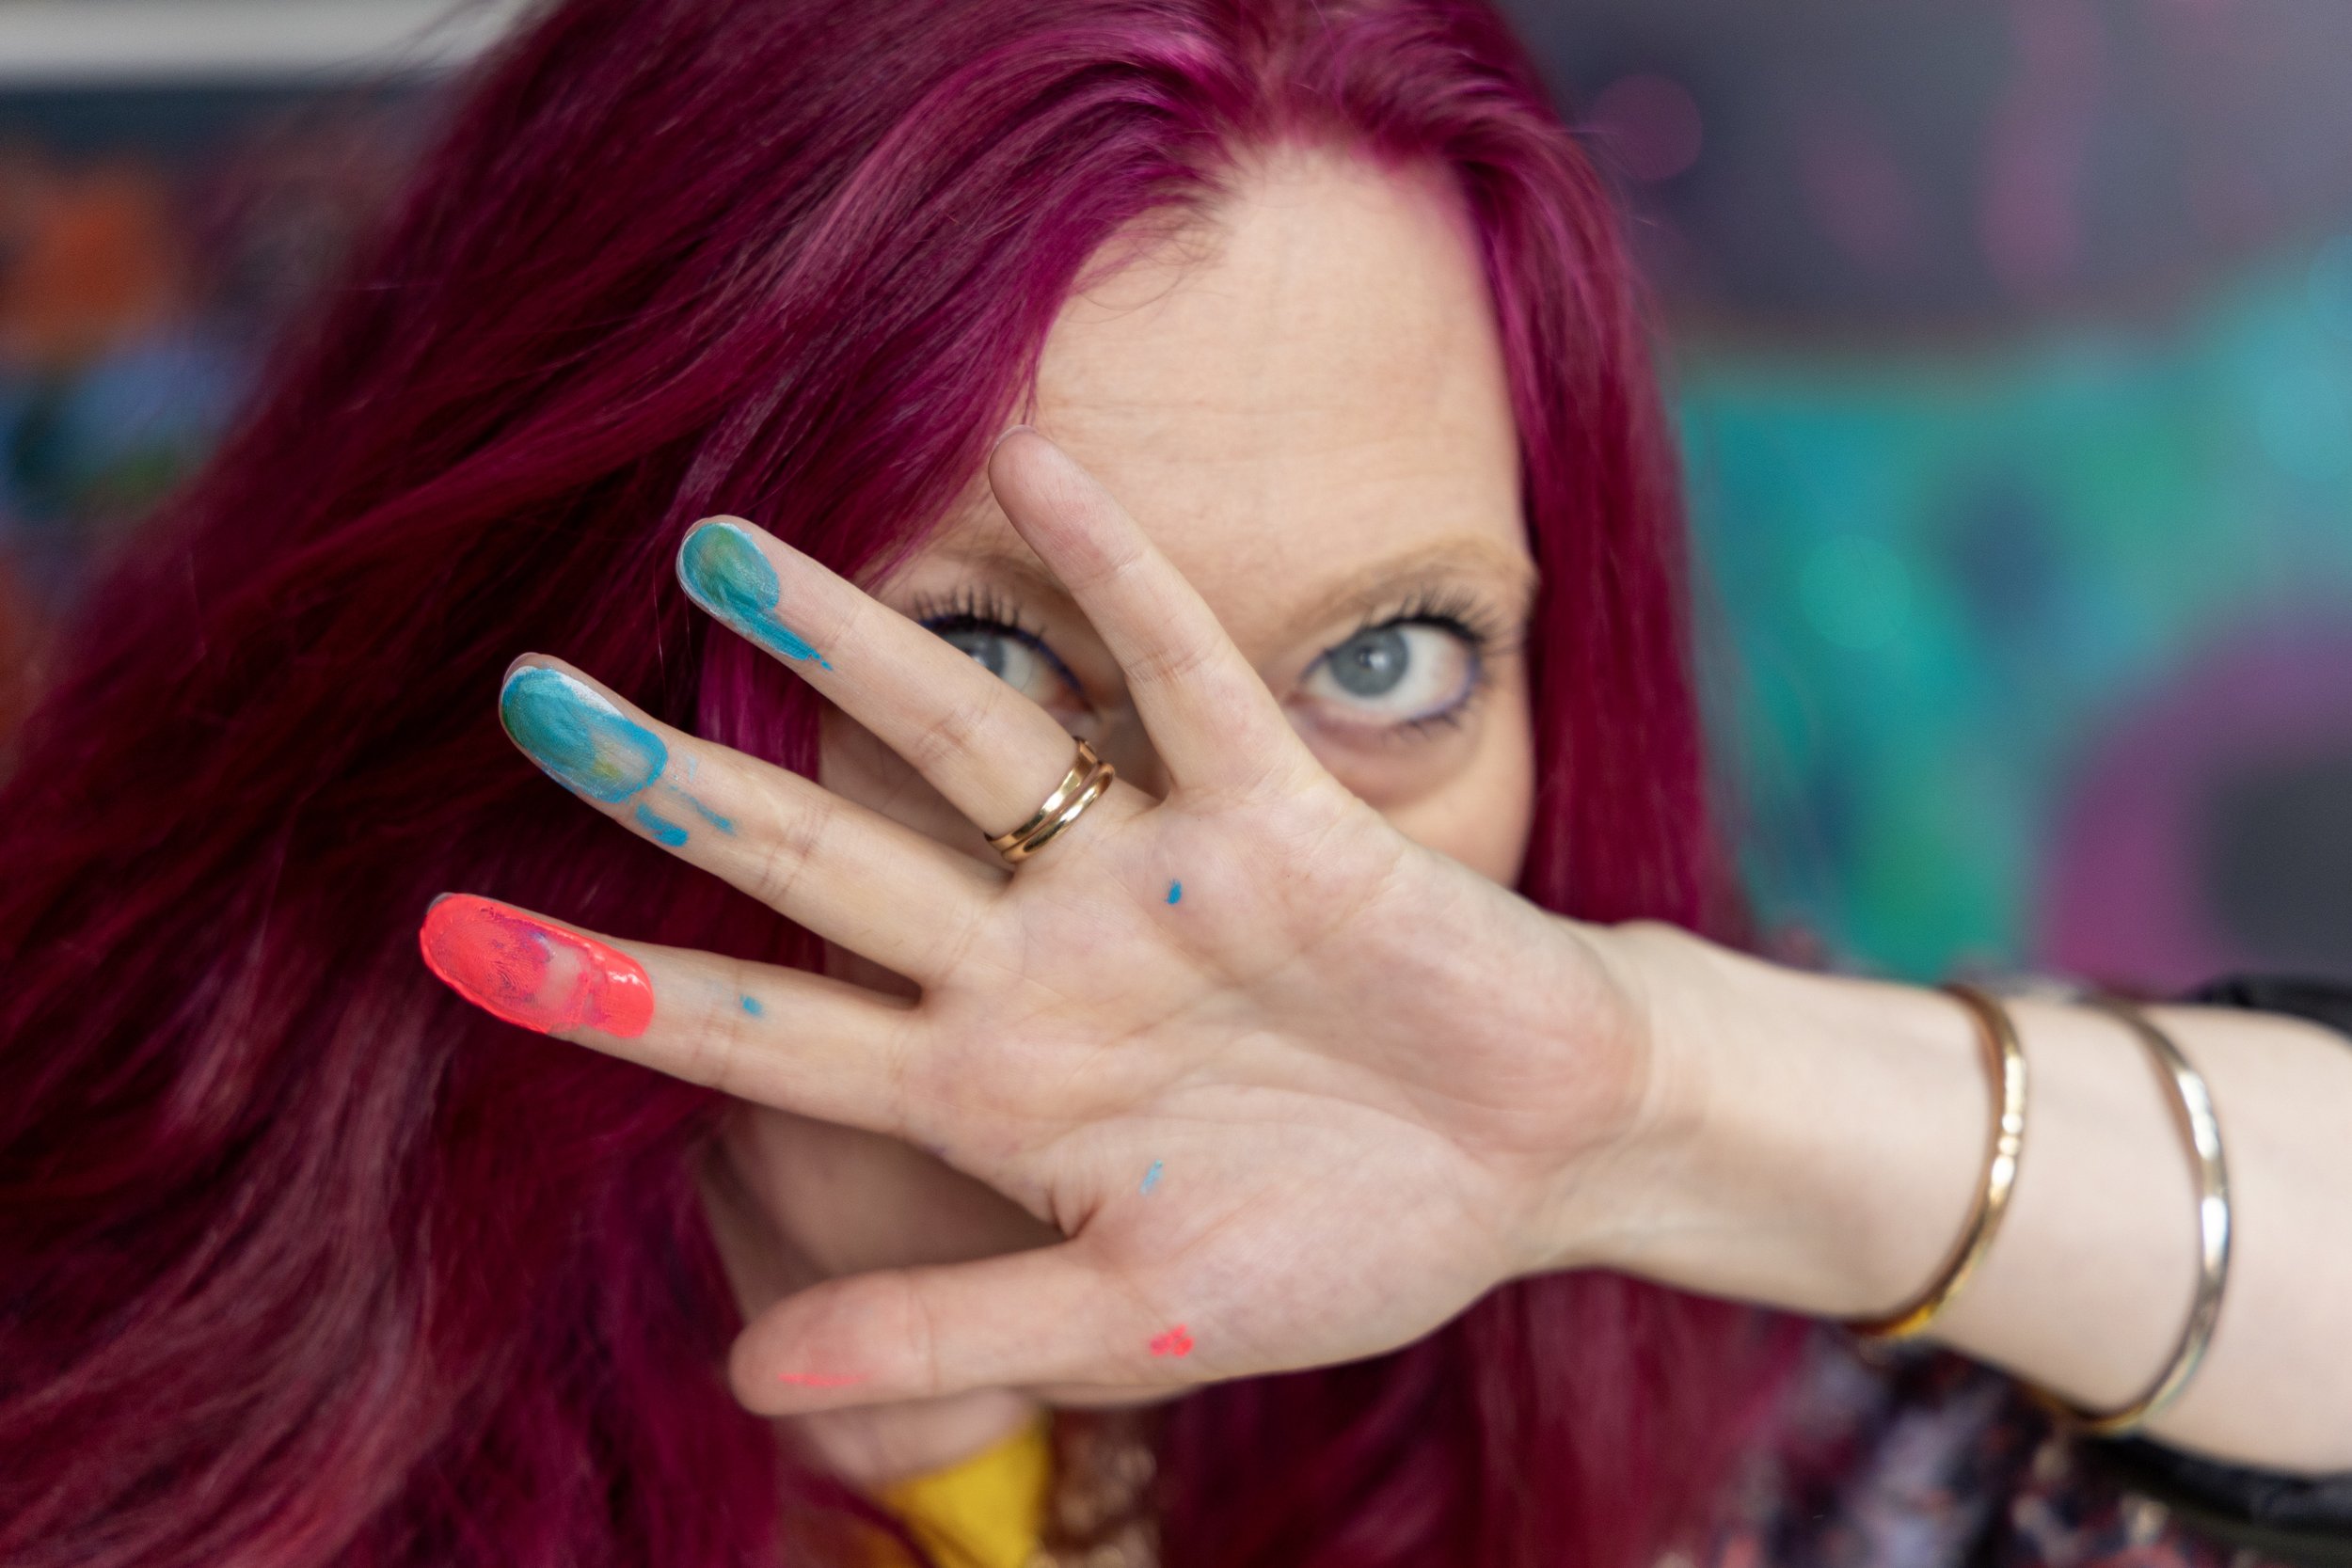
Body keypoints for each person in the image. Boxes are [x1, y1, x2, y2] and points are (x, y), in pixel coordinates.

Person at [1, 2, 2345, 1565]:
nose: (1229, 879)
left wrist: (1650, 1102)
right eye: (981, 654)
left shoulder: (1657, 1294)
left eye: (1387, 656)